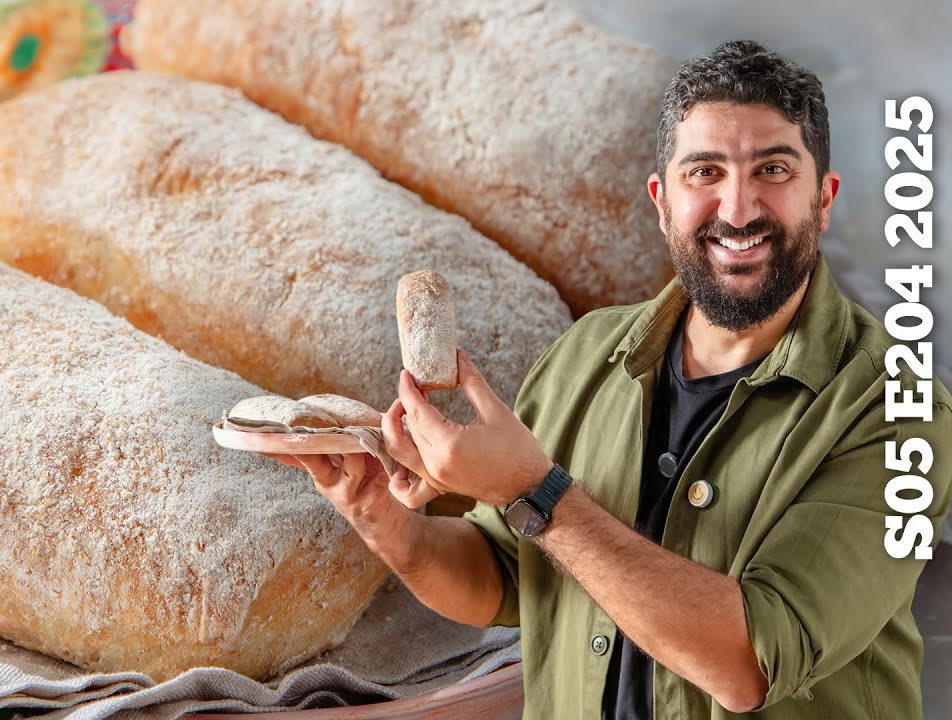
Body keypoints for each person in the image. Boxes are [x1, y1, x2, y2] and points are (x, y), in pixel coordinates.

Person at [270, 40, 951, 719]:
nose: (738, 208)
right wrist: (386, 523)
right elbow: (505, 578)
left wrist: (533, 488)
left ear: (824, 199)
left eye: (772, 169)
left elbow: (752, 664)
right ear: (662, 201)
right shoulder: (585, 354)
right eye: (704, 172)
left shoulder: (901, 413)